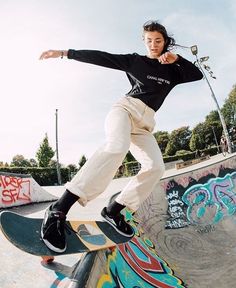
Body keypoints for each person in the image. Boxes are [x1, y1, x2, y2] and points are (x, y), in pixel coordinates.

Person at [39, 20, 203, 253]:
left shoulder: (173, 70)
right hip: (124, 110)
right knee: (117, 147)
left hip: (144, 124)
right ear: (144, 42)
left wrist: (178, 60)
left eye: (158, 40)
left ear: (165, 41)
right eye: (149, 41)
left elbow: (197, 75)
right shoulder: (135, 61)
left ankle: (114, 210)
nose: (153, 45)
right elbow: (102, 57)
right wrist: (65, 53)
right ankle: (58, 209)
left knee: (155, 167)